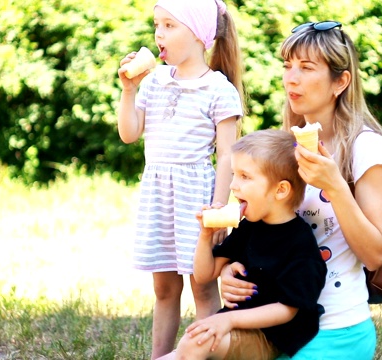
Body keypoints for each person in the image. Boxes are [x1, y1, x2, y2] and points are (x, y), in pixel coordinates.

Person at [219, 21, 382, 359]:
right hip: (275, 328)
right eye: (287, 66)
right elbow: (266, 231)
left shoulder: (366, 150)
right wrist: (233, 270)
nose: (291, 78)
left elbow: (375, 254)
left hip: (336, 329)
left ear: (340, 82)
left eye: (306, 67)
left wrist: (334, 185)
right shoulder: (286, 144)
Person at [116, 0, 245, 358]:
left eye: (170, 25)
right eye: (158, 24)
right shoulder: (154, 81)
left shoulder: (219, 90)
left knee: (203, 287)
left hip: (197, 200)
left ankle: (213, 353)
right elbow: (129, 133)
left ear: (199, 35)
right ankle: (159, 357)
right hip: (158, 195)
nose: (159, 33)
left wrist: (220, 208)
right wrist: (128, 90)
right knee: (163, 289)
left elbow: (227, 158)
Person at [157, 129, 327, 360]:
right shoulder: (248, 226)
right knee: (179, 352)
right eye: (234, 174)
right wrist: (205, 237)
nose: (233, 185)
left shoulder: (299, 242)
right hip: (235, 326)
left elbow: (287, 309)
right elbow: (204, 274)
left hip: (267, 337)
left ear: (281, 190)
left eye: (245, 176)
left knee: (194, 343)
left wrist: (228, 319)